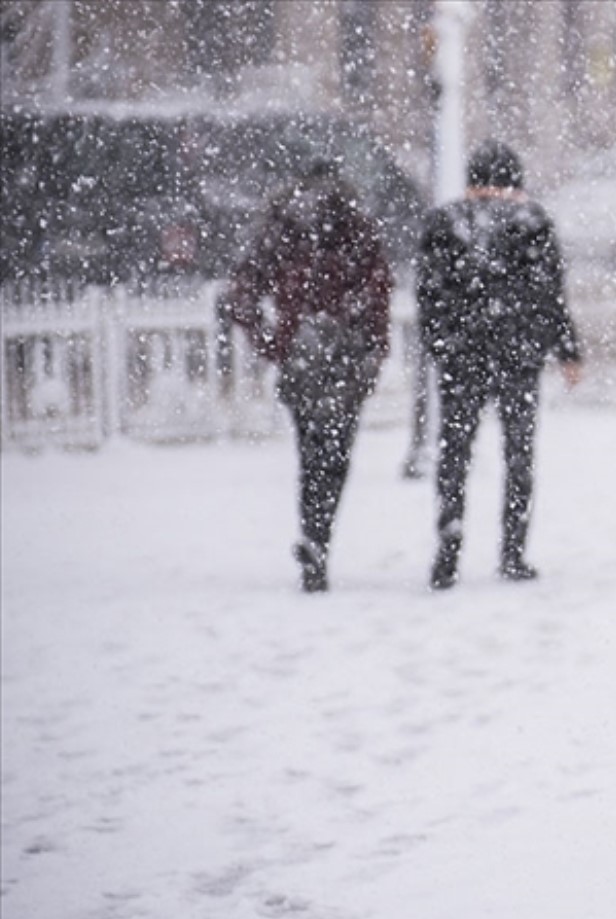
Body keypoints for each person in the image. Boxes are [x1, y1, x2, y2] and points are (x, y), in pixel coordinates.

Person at [418, 140, 584, 590]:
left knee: (455, 451)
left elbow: (428, 295)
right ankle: (513, 550)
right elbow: (549, 294)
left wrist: (441, 345)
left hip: (462, 356)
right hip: (518, 357)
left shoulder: (443, 223)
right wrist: (566, 349)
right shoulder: (531, 222)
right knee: (518, 454)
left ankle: (448, 542)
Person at [223, 159, 391, 593]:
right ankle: (321, 536)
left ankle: (313, 535)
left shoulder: (281, 228)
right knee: (336, 454)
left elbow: (241, 293)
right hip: (347, 353)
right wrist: (374, 349)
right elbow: (378, 294)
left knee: (310, 452)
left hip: (300, 354)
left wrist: (273, 341)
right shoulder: (356, 228)